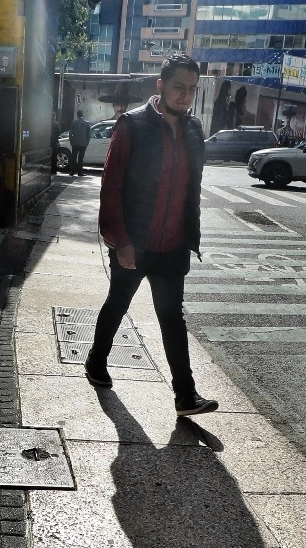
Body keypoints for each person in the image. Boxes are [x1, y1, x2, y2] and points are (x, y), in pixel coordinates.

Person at [84, 53, 218, 417]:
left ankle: (185, 395)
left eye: (192, 89)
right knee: (118, 304)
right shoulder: (132, 125)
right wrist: (119, 240)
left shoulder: (193, 131)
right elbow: (111, 187)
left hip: (173, 246)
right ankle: (96, 361)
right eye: (179, 87)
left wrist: (191, 235)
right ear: (160, 86)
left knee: (172, 317)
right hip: (135, 243)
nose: (185, 95)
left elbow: (193, 187)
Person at [68, 109, 92, 175]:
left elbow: (70, 133)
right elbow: (89, 134)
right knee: (81, 158)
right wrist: (87, 142)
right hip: (83, 143)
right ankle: (80, 172)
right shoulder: (87, 123)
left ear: (77, 115)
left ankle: (72, 171)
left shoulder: (74, 122)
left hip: (75, 143)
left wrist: (71, 141)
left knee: (74, 157)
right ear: (82, 114)